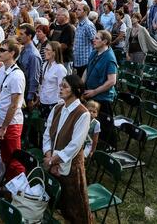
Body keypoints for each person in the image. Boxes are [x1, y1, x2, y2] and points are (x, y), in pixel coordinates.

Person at [42, 74, 92, 224]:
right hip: (53, 162)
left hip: (70, 167)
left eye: (65, 86)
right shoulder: (58, 107)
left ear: (75, 90)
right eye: (61, 85)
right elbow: (47, 134)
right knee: (55, 200)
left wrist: (53, 160)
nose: (61, 88)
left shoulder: (83, 114)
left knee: (74, 208)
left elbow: (75, 146)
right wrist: (48, 154)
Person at [0, 37, 26, 180]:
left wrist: (4, 127)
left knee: (15, 159)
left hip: (11, 124)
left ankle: (22, 190)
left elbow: (14, 104)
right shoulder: (1, 70)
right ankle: (10, 185)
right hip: (2, 120)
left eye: (2, 50)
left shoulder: (17, 76)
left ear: (12, 53)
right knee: (6, 157)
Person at [83, 30, 118, 149]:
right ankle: (94, 143)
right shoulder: (94, 52)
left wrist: (94, 91)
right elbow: (87, 70)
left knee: (105, 123)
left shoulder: (109, 58)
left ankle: (110, 146)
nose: (94, 40)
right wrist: (82, 85)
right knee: (93, 121)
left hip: (102, 97)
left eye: (97, 38)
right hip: (91, 93)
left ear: (105, 42)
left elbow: (112, 81)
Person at [38, 41, 67, 117]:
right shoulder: (45, 65)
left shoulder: (60, 69)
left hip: (54, 103)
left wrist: (60, 107)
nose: (44, 51)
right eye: (45, 49)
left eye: (47, 50)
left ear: (54, 52)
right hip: (43, 101)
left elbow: (62, 88)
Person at [73, 2, 96, 77]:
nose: (76, 11)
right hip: (78, 61)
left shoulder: (88, 25)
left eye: (79, 10)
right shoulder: (79, 24)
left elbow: (95, 43)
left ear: (85, 12)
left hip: (85, 62)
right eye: (76, 9)